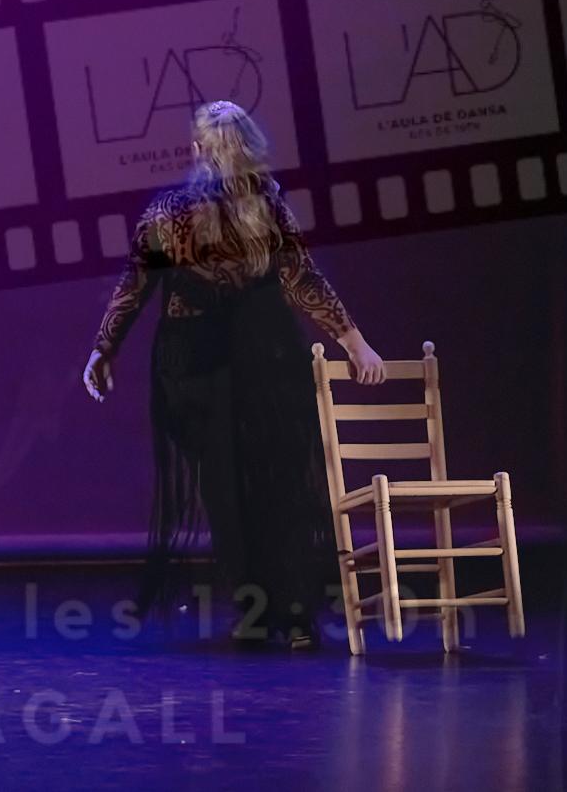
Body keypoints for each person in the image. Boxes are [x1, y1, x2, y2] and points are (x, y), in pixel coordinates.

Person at [82, 102, 386, 650]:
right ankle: (295, 616)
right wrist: (354, 341)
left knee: (224, 490)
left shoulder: (168, 210)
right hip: (264, 353)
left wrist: (104, 349)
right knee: (279, 482)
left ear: (196, 150)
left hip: (196, 359)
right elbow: (302, 278)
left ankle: (255, 612)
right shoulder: (267, 202)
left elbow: (134, 286)